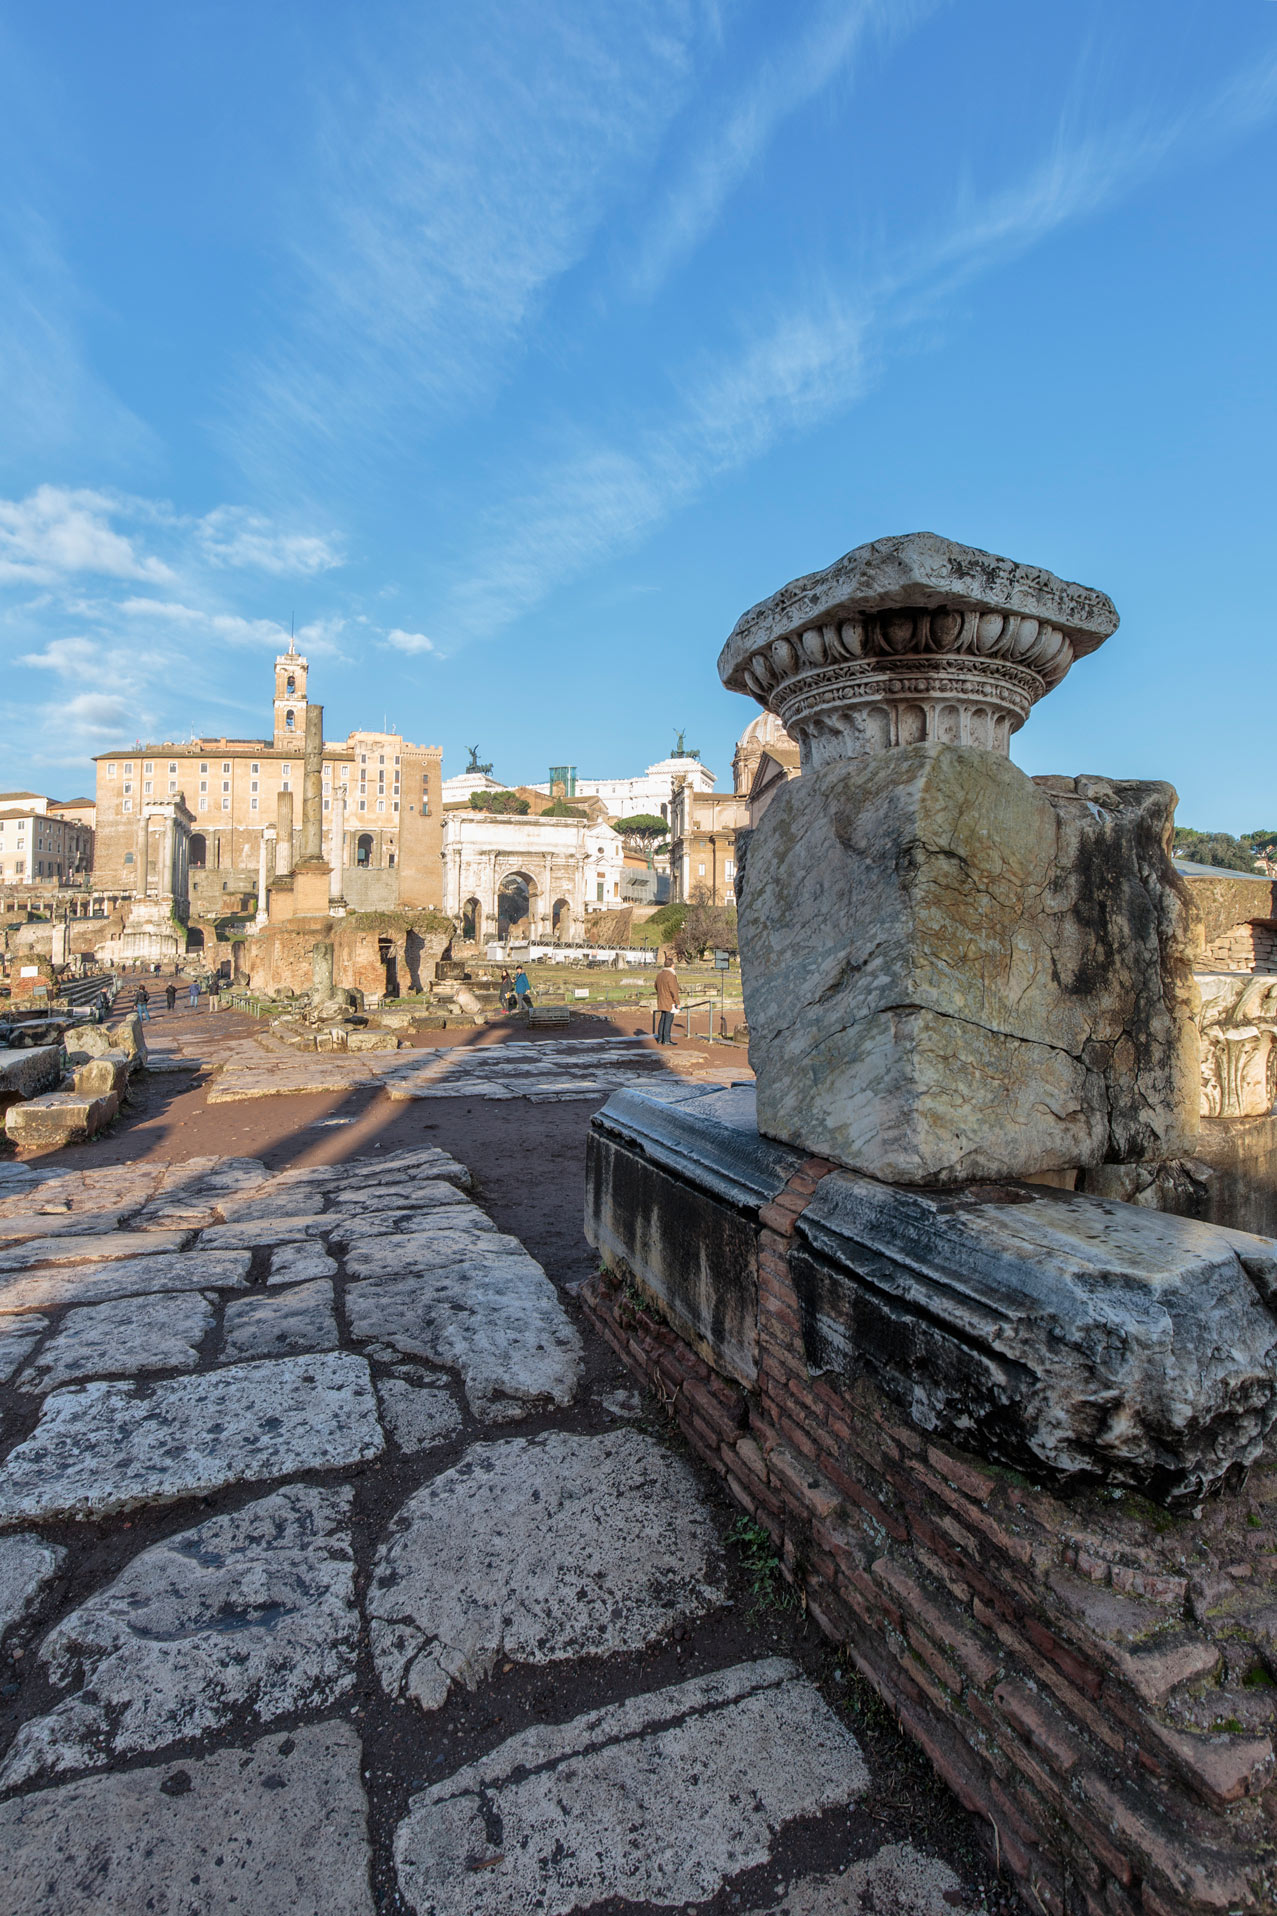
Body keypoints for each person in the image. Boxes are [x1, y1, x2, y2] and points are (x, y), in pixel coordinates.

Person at [654, 956, 679, 1046]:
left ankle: (660, 1038)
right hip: (669, 1000)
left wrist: (661, 993)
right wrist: (677, 1002)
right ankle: (667, 1039)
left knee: (662, 1019)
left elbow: (656, 986)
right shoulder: (671, 975)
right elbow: (674, 990)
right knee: (668, 1020)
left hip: (661, 999)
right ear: (672, 965)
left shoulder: (660, 974)